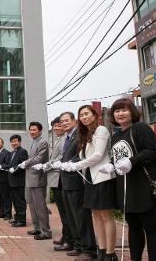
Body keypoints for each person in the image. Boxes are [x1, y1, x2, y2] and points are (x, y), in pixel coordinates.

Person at [60, 105, 117, 261]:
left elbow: (98, 155)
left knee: (106, 216)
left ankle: (111, 254)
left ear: (94, 115)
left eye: (87, 114)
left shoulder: (101, 130)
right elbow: (84, 155)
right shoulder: (86, 134)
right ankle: (102, 251)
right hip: (90, 178)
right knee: (96, 215)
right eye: (82, 115)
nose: (84, 117)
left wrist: (77, 165)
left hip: (103, 177)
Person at [109, 98, 156, 261]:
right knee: (133, 227)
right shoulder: (116, 136)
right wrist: (112, 165)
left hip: (143, 187)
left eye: (124, 110)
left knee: (151, 227)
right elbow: (118, 158)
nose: (120, 113)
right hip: (126, 188)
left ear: (132, 111)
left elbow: (151, 150)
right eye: (117, 111)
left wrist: (132, 162)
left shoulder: (141, 128)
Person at [56, 112, 97, 260]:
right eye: (62, 121)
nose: (64, 123)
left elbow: (81, 155)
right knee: (72, 218)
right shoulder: (67, 137)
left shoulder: (79, 135)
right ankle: (78, 245)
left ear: (74, 121)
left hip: (76, 182)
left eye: (67, 120)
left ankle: (89, 249)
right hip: (66, 182)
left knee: (81, 218)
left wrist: (70, 163)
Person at [39, 117, 73, 250]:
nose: (57, 128)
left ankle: (69, 240)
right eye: (55, 127)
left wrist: (48, 164)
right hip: (55, 179)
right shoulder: (56, 139)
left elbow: (61, 157)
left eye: (60, 125)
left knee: (66, 212)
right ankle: (66, 236)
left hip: (61, 178)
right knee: (62, 211)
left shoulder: (66, 139)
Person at [19, 122, 51, 240]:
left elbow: (39, 158)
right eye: (30, 130)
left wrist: (26, 163)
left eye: (34, 130)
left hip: (38, 178)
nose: (32, 132)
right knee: (32, 205)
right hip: (30, 178)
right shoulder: (34, 142)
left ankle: (46, 231)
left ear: (40, 130)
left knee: (40, 206)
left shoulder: (43, 142)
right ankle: (37, 228)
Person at [7, 134, 29, 227]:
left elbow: (24, 165)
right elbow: (9, 165)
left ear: (19, 142)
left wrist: (15, 169)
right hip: (12, 181)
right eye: (12, 141)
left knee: (20, 201)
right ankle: (17, 218)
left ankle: (22, 220)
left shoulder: (23, 151)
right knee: (15, 201)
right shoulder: (12, 153)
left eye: (15, 141)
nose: (14, 143)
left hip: (19, 181)